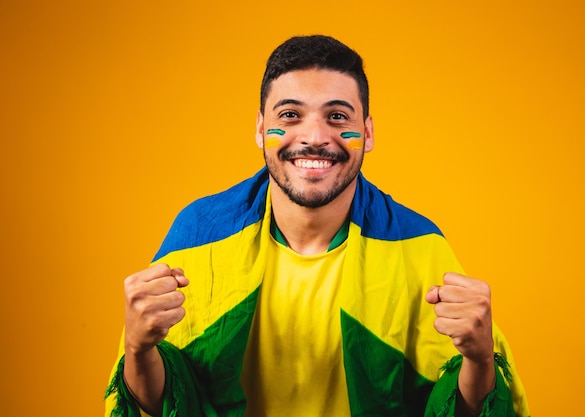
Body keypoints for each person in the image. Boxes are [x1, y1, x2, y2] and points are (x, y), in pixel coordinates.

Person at [105, 35, 530, 417]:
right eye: (289, 115)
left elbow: (463, 410)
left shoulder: (418, 247)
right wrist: (138, 349)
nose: (314, 137)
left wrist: (479, 361)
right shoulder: (198, 234)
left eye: (338, 117)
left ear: (367, 132)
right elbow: (158, 402)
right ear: (259, 129)